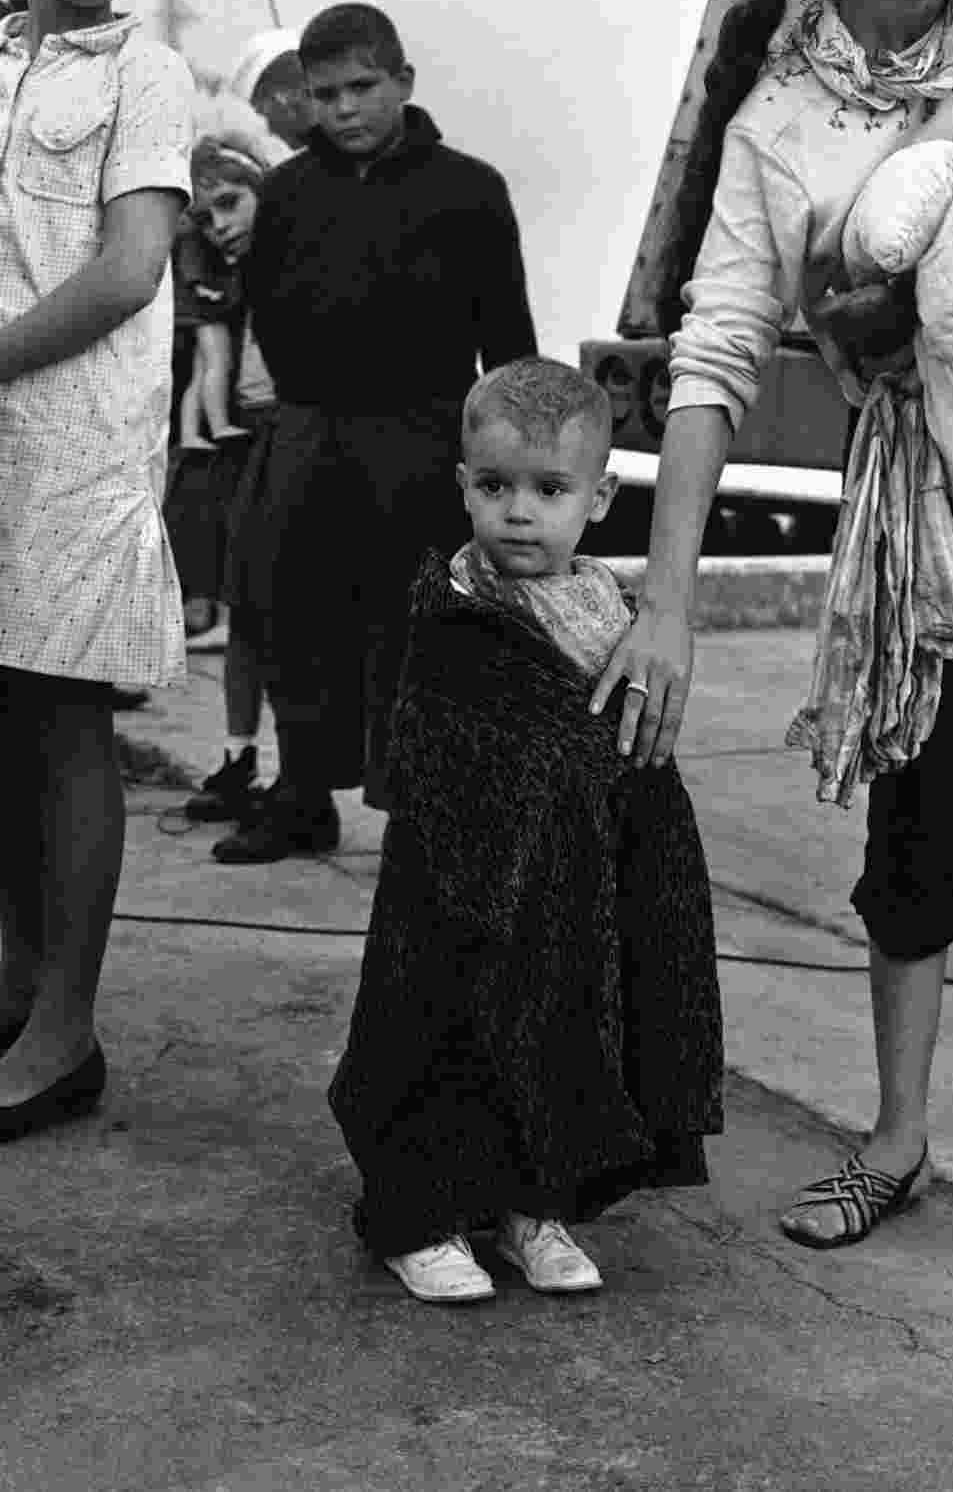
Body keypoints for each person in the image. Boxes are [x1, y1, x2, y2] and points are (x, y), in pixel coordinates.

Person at [590, 0, 953, 1257]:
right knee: (916, 808)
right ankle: (896, 1139)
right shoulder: (778, 118)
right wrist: (663, 599)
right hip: (912, 494)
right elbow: (715, 351)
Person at [328, 357, 723, 1303]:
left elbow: (630, 758)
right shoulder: (453, 609)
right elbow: (429, 740)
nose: (518, 512)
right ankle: (416, 1215)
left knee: (559, 1039)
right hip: (459, 890)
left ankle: (527, 1207)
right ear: (462, 484)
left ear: (600, 497)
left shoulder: (609, 614)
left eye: (549, 490)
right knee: (444, 1031)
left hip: (567, 890)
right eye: (496, 486)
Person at [220, 2, 538, 864]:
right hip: (312, 428)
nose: (345, 109)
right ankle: (302, 795)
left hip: (426, 438)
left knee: (418, 633)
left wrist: (511, 471)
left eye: (363, 87)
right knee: (298, 618)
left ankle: (421, 810)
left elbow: (508, 341)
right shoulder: (286, 192)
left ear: (402, 81)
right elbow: (271, 316)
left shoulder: (471, 189)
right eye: (325, 94)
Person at [0, 0, 192, 1138]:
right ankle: (14, 981)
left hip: (78, 447)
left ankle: (64, 1033)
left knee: (64, 718)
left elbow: (129, 271)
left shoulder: (147, 71)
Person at [167, 110, 289, 833]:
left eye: (231, 204)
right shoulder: (220, 270)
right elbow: (213, 359)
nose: (219, 225)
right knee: (246, 610)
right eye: (207, 215)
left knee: (288, 615)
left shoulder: (299, 252)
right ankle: (241, 753)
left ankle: (299, 771)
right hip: (251, 440)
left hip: (293, 434)